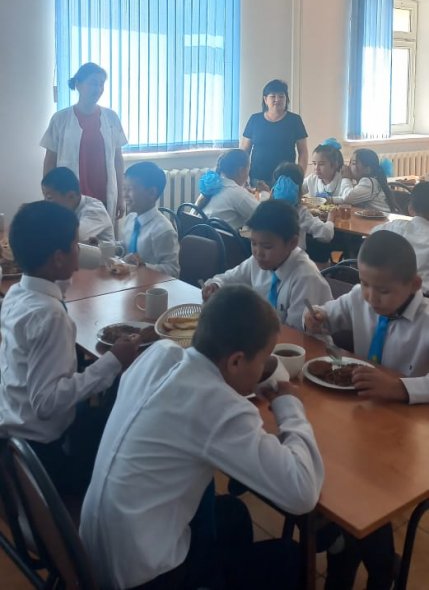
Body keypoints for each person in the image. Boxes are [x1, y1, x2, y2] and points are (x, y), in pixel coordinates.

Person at [80, 285, 324, 590]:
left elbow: (207, 398)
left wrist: (260, 373)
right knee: (289, 557)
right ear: (236, 361)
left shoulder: (159, 353)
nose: (264, 368)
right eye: (263, 360)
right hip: (145, 579)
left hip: (95, 553)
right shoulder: (217, 407)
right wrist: (290, 408)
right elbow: (302, 492)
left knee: (233, 513)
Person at [304, 230, 429, 589]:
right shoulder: (360, 297)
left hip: (405, 437)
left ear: (414, 284)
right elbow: (329, 315)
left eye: (383, 290)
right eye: (365, 284)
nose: (371, 297)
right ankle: (368, 561)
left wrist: (401, 388)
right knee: (343, 484)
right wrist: (317, 318)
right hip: (358, 420)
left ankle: (355, 561)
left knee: (365, 497)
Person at [0, 201, 137, 494]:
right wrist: (112, 361)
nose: (80, 250)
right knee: (126, 429)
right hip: (46, 456)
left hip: (14, 436)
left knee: (103, 410)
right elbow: (47, 403)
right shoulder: (49, 315)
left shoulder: (17, 294)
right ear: (58, 258)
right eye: (75, 244)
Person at [202, 200, 331, 329]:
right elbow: (229, 279)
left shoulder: (305, 277)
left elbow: (295, 332)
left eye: (267, 246)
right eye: (253, 243)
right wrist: (216, 285)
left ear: (292, 243)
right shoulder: (257, 261)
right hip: (267, 335)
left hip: (302, 341)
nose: (258, 252)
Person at [40, 62, 127, 221]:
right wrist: (49, 196)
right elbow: (50, 162)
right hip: (69, 198)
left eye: (101, 84)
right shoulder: (60, 119)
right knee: (70, 234)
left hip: (104, 198)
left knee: (103, 236)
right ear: (78, 84)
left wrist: (121, 196)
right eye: (93, 83)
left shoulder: (111, 118)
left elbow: (117, 160)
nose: (98, 88)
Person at [241, 79, 308, 186]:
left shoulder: (295, 120)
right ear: (265, 99)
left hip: (286, 179)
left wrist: (300, 176)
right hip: (257, 178)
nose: (277, 99)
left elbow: (303, 152)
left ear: (286, 99)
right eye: (273, 96)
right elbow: (245, 151)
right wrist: (242, 176)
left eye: (281, 96)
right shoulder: (255, 119)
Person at [121, 161, 180, 278]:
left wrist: (144, 266)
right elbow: (125, 246)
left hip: (149, 286)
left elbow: (173, 270)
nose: (125, 195)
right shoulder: (130, 219)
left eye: (130, 189)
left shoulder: (163, 231)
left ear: (151, 193)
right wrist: (110, 247)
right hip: (129, 282)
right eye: (124, 189)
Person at [373, 181, 429, 294]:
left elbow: (372, 235)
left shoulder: (395, 226)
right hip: (422, 297)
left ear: (410, 208)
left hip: (386, 293)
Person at [272, 162, 335, 254]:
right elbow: (326, 235)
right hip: (294, 260)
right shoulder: (300, 212)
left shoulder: (266, 209)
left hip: (271, 259)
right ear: (299, 188)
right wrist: (330, 219)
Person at [42, 166, 114, 244]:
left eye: (49, 197)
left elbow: (73, 237)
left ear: (71, 196)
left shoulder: (95, 211)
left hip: (103, 252)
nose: (46, 202)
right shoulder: (66, 211)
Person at [196, 149, 257, 229]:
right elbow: (263, 216)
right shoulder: (236, 192)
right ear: (241, 171)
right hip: (221, 236)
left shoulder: (211, 186)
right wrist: (264, 194)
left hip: (200, 234)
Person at [341, 149, 397, 213]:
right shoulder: (366, 181)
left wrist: (346, 178)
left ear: (367, 169)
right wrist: (332, 199)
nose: (349, 166)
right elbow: (348, 197)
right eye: (350, 163)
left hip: (383, 218)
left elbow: (348, 198)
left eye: (354, 163)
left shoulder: (368, 183)